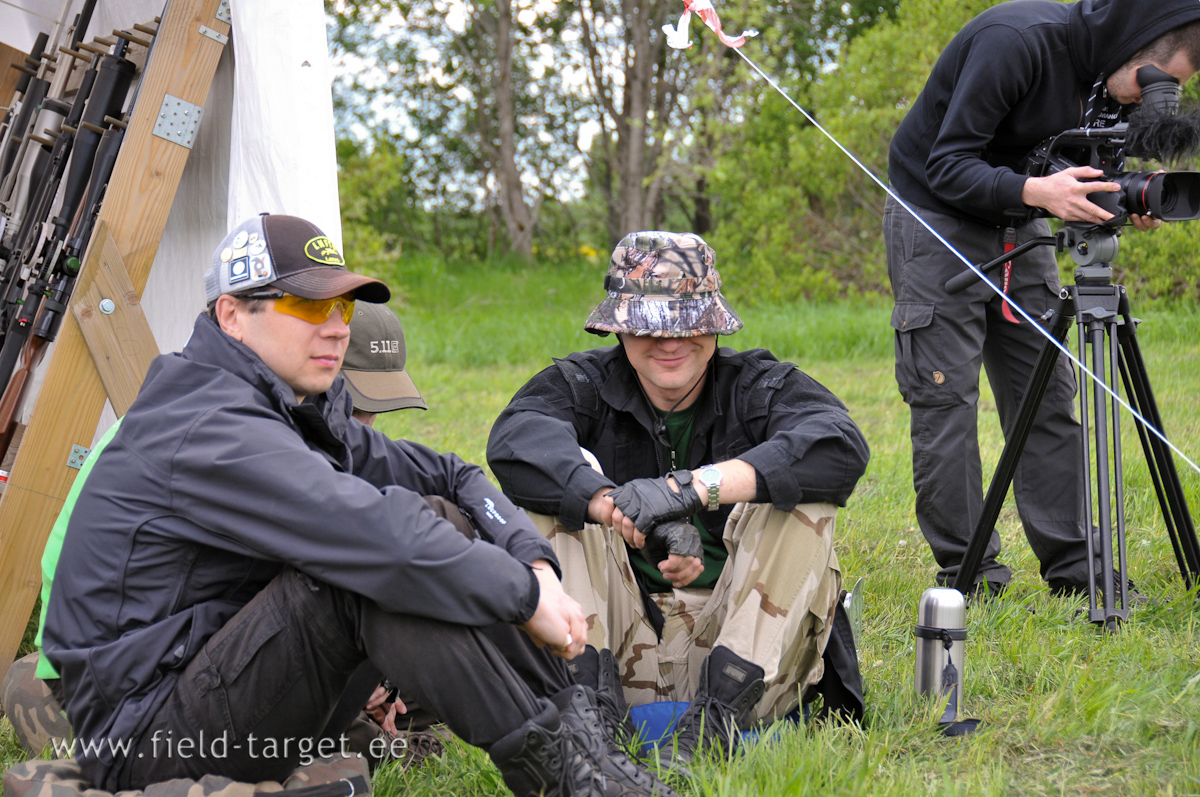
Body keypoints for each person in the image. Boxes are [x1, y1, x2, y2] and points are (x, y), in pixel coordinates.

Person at [40, 213, 678, 797]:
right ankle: (566, 782)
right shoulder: (206, 422)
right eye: (304, 303)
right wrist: (527, 598)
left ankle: (583, 755)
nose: (337, 325)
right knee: (360, 576)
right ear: (231, 315)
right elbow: (381, 538)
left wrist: (534, 565)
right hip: (147, 742)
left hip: (220, 687)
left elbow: (453, 476)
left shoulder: (289, 406)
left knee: (435, 517)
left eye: (343, 304)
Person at [487, 231, 870, 768]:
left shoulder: (757, 386)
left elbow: (839, 447)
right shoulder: (580, 384)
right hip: (611, 660)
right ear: (618, 327)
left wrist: (687, 489)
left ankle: (714, 731)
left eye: (688, 323)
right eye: (648, 325)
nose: (670, 341)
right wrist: (612, 505)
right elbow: (515, 442)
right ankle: (587, 727)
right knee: (552, 503)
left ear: (713, 324)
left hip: (742, 663)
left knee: (803, 502)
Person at [0, 300, 430, 765]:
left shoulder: (256, 418)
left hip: (184, 648)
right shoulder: (233, 441)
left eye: (375, 411)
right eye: (358, 404)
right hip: (144, 667)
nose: (362, 425)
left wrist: (385, 671)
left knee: (421, 665)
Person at [884, 0, 1200, 599]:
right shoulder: (1016, 41)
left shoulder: (1110, 80)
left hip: (1023, 212)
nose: (1144, 99)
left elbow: (1078, 155)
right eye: (1150, 84)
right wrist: (1037, 190)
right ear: (1130, 46)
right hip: (933, 215)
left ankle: (1078, 572)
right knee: (947, 399)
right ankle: (970, 576)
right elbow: (946, 164)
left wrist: (1119, 195)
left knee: (1048, 396)